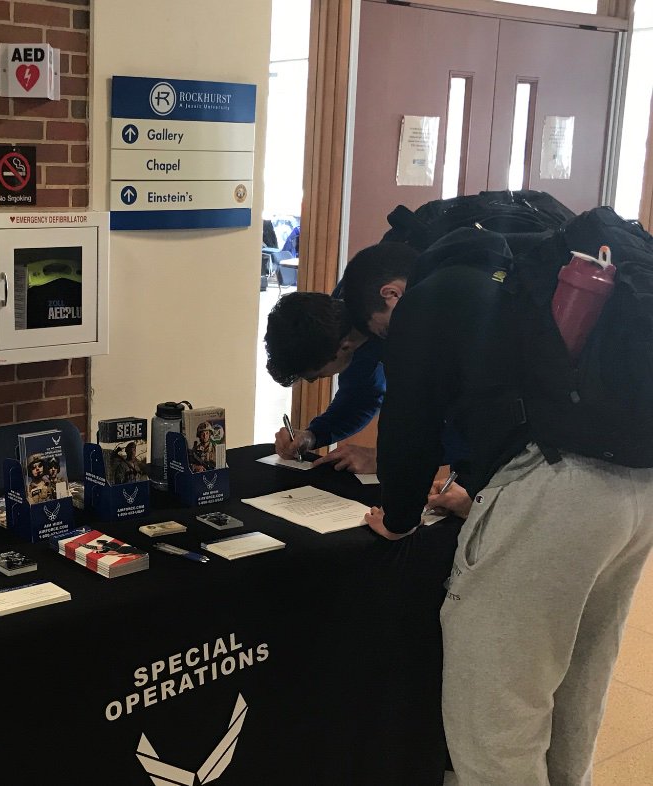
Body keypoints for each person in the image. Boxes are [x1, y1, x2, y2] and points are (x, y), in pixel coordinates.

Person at [362, 233, 653, 784]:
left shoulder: (433, 295)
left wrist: (399, 521)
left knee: (497, 724)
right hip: (634, 487)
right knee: (575, 695)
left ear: (394, 293)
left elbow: (411, 423)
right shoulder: (519, 273)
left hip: (552, 490)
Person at [266, 242, 418, 473]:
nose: (315, 381)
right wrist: (312, 435)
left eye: (317, 375)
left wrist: (384, 458)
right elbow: (361, 399)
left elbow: (463, 416)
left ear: (343, 348)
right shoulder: (340, 317)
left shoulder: (402, 324)